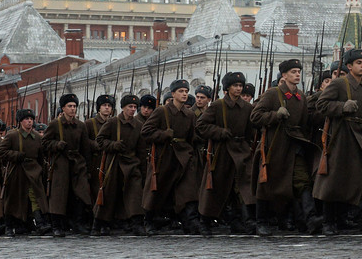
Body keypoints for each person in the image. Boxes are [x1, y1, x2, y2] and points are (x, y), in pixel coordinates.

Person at [313, 51, 362, 235]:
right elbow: (322, 104)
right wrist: (342, 107)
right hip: (342, 136)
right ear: (349, 67)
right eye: (359, 62)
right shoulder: (339, 83)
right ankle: (328, 221)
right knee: (334, 180)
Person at [252, 59, 325, 236]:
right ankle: (261, 222)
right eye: (293, 72)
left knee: (303, 182)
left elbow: (305, 123)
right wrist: (275, 115)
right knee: (267, 184)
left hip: (294, 146)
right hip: (275, 146)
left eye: (299, 71)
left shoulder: (301, 96)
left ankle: (310, 217)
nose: (297, 74)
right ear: (284, 75)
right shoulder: (272, 94)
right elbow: (255, 116)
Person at [197, 72, 257, 235]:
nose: (238, 89)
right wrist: (219, 132)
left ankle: (244, 220)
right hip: (221, 152)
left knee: (243, 186)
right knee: (215, 187)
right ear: (228, 88)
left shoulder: (247, 108)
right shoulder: (218, 105)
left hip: (241, 150)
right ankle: (205, 222)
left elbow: (251, 131)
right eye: (235, 86)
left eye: (240, 86)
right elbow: (201, 125)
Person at [142, 80, 203, 235]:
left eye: (186, 91)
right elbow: (146, 131)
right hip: (165, 156)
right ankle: (149, 220)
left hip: (183, 156)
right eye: (181, 91)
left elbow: (192, 137)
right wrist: (163, 135)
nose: (184, 94)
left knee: (188, 190)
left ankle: (191, 221)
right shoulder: (162, 111)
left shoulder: (189, 114)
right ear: (173, 93)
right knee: (157, 189)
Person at [42, 94, 97, 237]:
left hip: (77, 163)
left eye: (74, 106)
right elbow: (44, 144)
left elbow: (85, 148)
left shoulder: (80, 125)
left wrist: (88, 168)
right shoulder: (55, 124)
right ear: (63, 108)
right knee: (58, 196)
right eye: (70, 106)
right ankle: (57, 226)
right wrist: (56, 145)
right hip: (61, 163)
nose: (73, 109)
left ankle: (77, 223)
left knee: (80, 194)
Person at [93, 95, 147, 236]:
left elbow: (141, 150)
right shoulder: (113, 122)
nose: (133, 110)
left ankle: (137, 223)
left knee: (135, 194)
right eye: (130, 107)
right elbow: (100, 140)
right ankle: (101, 223)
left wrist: (143, 170)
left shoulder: (139, 125)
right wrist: (113, 145)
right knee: (109, 194)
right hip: (114, 163)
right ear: (123, 108)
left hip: (132, 163)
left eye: (135, 107)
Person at [0, 109, 52, 236]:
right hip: (17, 171)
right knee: (14, 199)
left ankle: (40, 223)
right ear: (20, 121)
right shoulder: (12, 135)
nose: (29, 121)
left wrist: (41, 170)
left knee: (36, 197)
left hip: (33, 171)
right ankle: (10, 226)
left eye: (31, 119)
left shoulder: (37, 137)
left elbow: (41, 156)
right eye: (26, 119)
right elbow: (1, 151)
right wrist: (16, 155)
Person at [85, 94, 115, 211]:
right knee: (96, 190)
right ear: (99, 108)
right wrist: (96, 145)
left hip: (110, 160)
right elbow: (84, 141)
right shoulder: (89, 123)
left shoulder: (114, 122)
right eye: (104, 105)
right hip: (95, 160)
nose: (107, 108)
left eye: (109, 105)